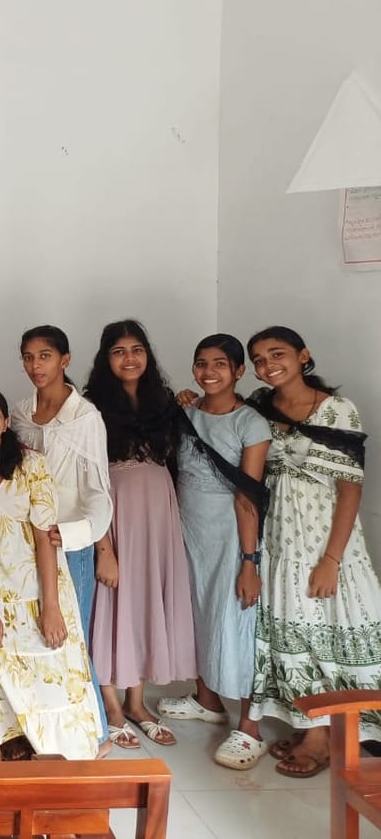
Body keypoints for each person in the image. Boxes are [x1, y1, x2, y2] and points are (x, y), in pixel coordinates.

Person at [243, 326, 381, 778]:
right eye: (259, 359)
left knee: (331, 629)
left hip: (326, 544)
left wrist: (331, 560)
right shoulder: (260, 410)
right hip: (282, 542)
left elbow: (350, 491)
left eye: (277, 354)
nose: (268, 365)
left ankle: (325, 737)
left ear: (304, 355)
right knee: (297, 633)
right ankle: (311, 725)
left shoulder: (337, 410)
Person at [0, 386, 102, 760]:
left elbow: (44, 538)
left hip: (40, 582)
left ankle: (61, 750)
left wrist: (50, 606)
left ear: (7, 422)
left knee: (54, 663)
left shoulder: (32, 465)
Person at [156, 334, 271, 770]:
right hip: (190, 531)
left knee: (237, 622)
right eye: (201, 363)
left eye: (220, 364)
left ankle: (250, 726)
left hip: (231, 537)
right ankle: (207, 699)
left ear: (239, 371)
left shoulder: (250, 423)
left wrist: (249, 562)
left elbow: (248, 496)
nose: (209, 372)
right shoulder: (186, 412)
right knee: (199, 613)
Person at [84, 320, 197, 748]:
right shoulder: (89, 406)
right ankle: (111, 705)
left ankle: (137, 701)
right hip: (114, 509)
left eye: (136, 349)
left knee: (147, 597)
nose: (129, 358)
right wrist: (103, 542)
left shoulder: (164, 402)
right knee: (111, 601)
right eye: (118, 351)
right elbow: (86, 474)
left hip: (158, 511)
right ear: (105, 358)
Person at [11, 326, 113, 756]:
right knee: (35, 636)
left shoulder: (85, 417)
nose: (36, 366)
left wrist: (71, 535)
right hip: (24, 545)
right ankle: (45, 733)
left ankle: (96, 733)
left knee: (70, 639)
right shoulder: (18, 413)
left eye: (45, 356)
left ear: (65, 360)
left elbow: (100, 494)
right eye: (29, 357)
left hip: (68, 546)